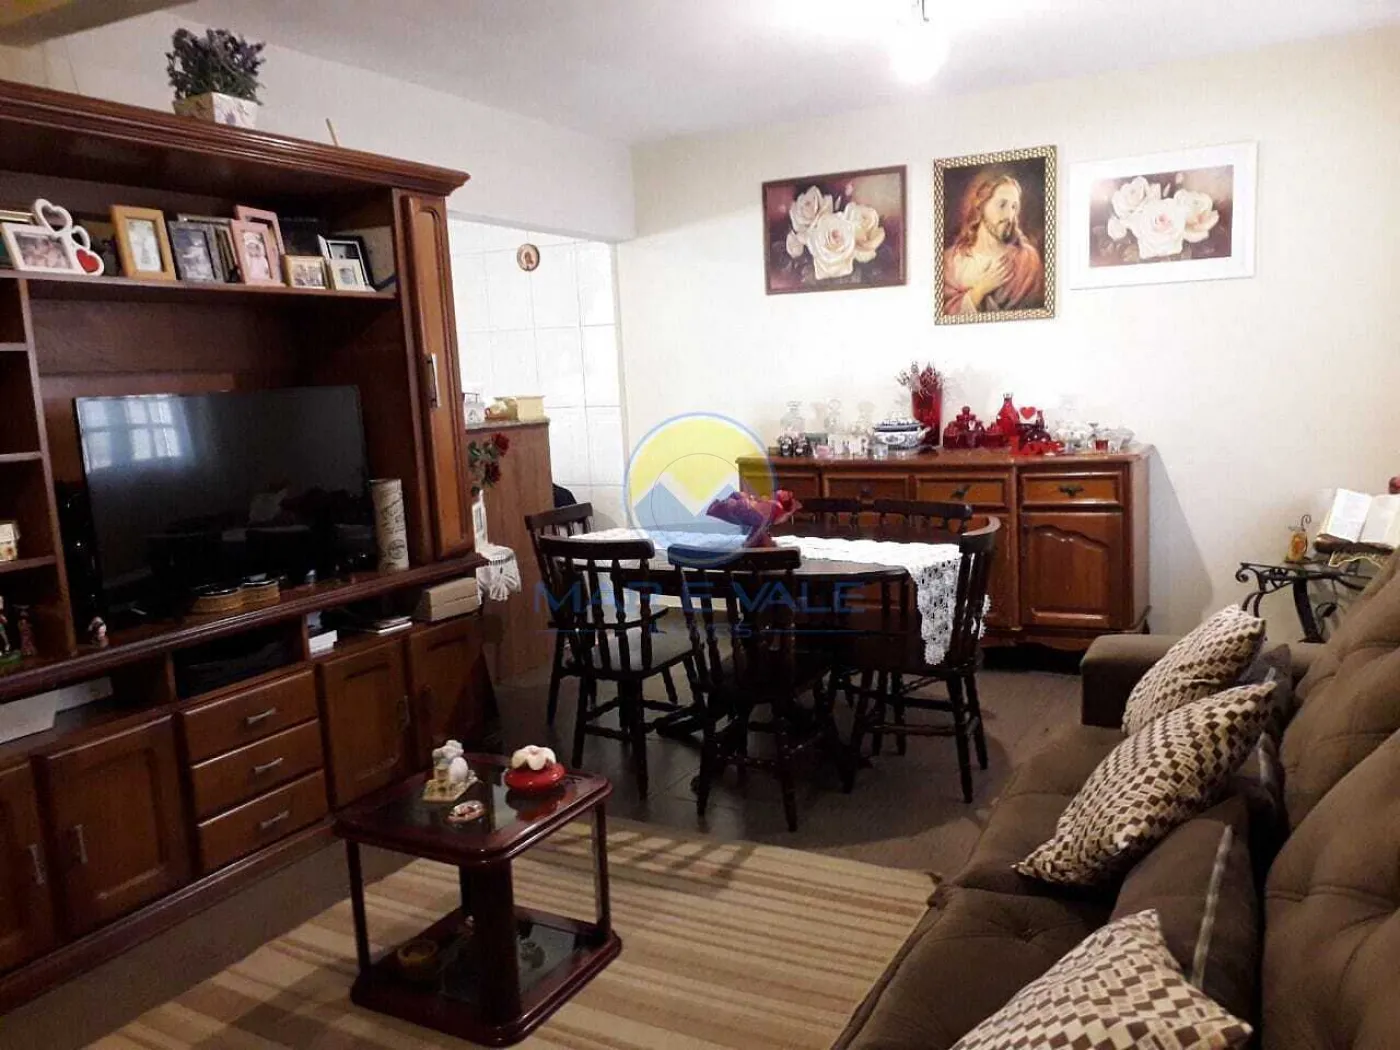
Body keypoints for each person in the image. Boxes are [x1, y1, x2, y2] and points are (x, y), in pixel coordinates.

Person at [941, 171, 1045, 316]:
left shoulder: (1028, 260)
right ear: (981, 206)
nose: (1010, 216)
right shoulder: (951, 261)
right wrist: (979, 291)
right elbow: (945, 314)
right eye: (1002, 205)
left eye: (1014, 207)